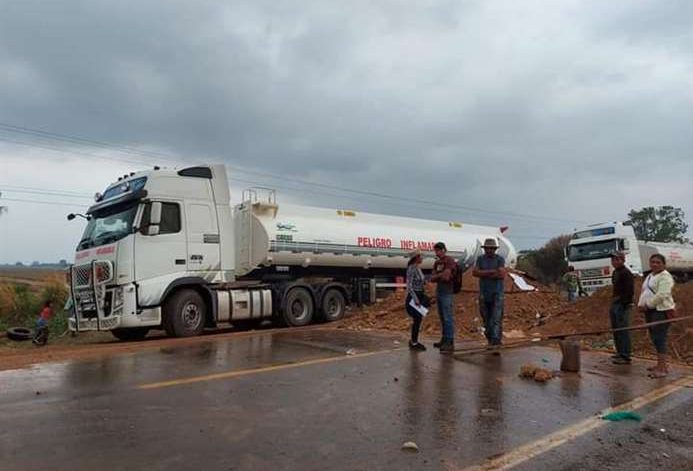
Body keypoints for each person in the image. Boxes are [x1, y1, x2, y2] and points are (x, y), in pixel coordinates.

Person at [637, 254, 676, 378]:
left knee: (660, 338)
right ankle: (659, 364)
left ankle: (663, 368)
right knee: (654, 338)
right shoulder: (650, 276)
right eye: (652, 262)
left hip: (661, 311)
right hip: (650, 311)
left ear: (663, 264)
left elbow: (662, 295)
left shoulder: (665, 277)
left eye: (658, 262)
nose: (655, 264)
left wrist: (647, 305)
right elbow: (645, 292)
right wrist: (640, 305)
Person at [472, 238, 506, 348]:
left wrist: (483, 273)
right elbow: (475, 272)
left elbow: (501, 275)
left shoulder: (500, 259)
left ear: (495, 249)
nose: (489, 250)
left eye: (491, 248)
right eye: (487, 248)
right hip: (484, 292)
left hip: (497, 292)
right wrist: (492, 272)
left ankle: (496, 340)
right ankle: (490, 339)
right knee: (486, 318)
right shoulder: (480, 259)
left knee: (496, 318)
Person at [430, 242, 457, 353]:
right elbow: (432, 278)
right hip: (439, 291)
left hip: (447, 292)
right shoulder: (437, 262)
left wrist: (439, 276)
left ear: (444, 250)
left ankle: (450, 341)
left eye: (439, 250)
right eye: (436, 250)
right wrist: (440, 275)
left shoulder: (449, 260)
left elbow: (446, 277)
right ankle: (444, 338)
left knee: (447, 317)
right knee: (442, 317)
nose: (437, 252)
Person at [609, 252, 634, 365]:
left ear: (623, 260)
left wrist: (624, 304)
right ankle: (619, 352)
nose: (615, 262)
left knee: (623, 329)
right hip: (615, 302)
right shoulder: (615, 272)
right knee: (616, 329)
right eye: (613, 260)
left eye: (617, 260)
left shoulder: (626, 273)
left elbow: (629, 291)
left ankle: (625, 355)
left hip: (622, 304)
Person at [405, 250, 428, 351]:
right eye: (421, 256)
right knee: (417, 319)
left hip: (420, 295)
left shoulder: (418, 268)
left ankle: (414, 341)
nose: (422, 258)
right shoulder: (412, 269)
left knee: (418, 319)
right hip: (415, 296)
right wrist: (415, 299)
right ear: (417, 257)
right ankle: (414, 342)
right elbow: (409, 286)